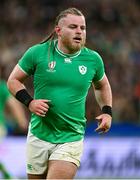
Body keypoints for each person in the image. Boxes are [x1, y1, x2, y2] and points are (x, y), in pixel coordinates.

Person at [7, 7, 112, 179]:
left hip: (71, 136)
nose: (79, 31)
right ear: (58, 31)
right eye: (73, 27)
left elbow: (102, 86)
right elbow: (13, 80)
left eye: (82, 28)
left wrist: (107, 112)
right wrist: (30, 102)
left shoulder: (93, 59)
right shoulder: (37, 52)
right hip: (39, 133)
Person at [0, 64, 28, 138]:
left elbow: (13, 104)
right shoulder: (2, 87)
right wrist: (22, 121)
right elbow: (13, 104)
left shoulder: (2, 87)